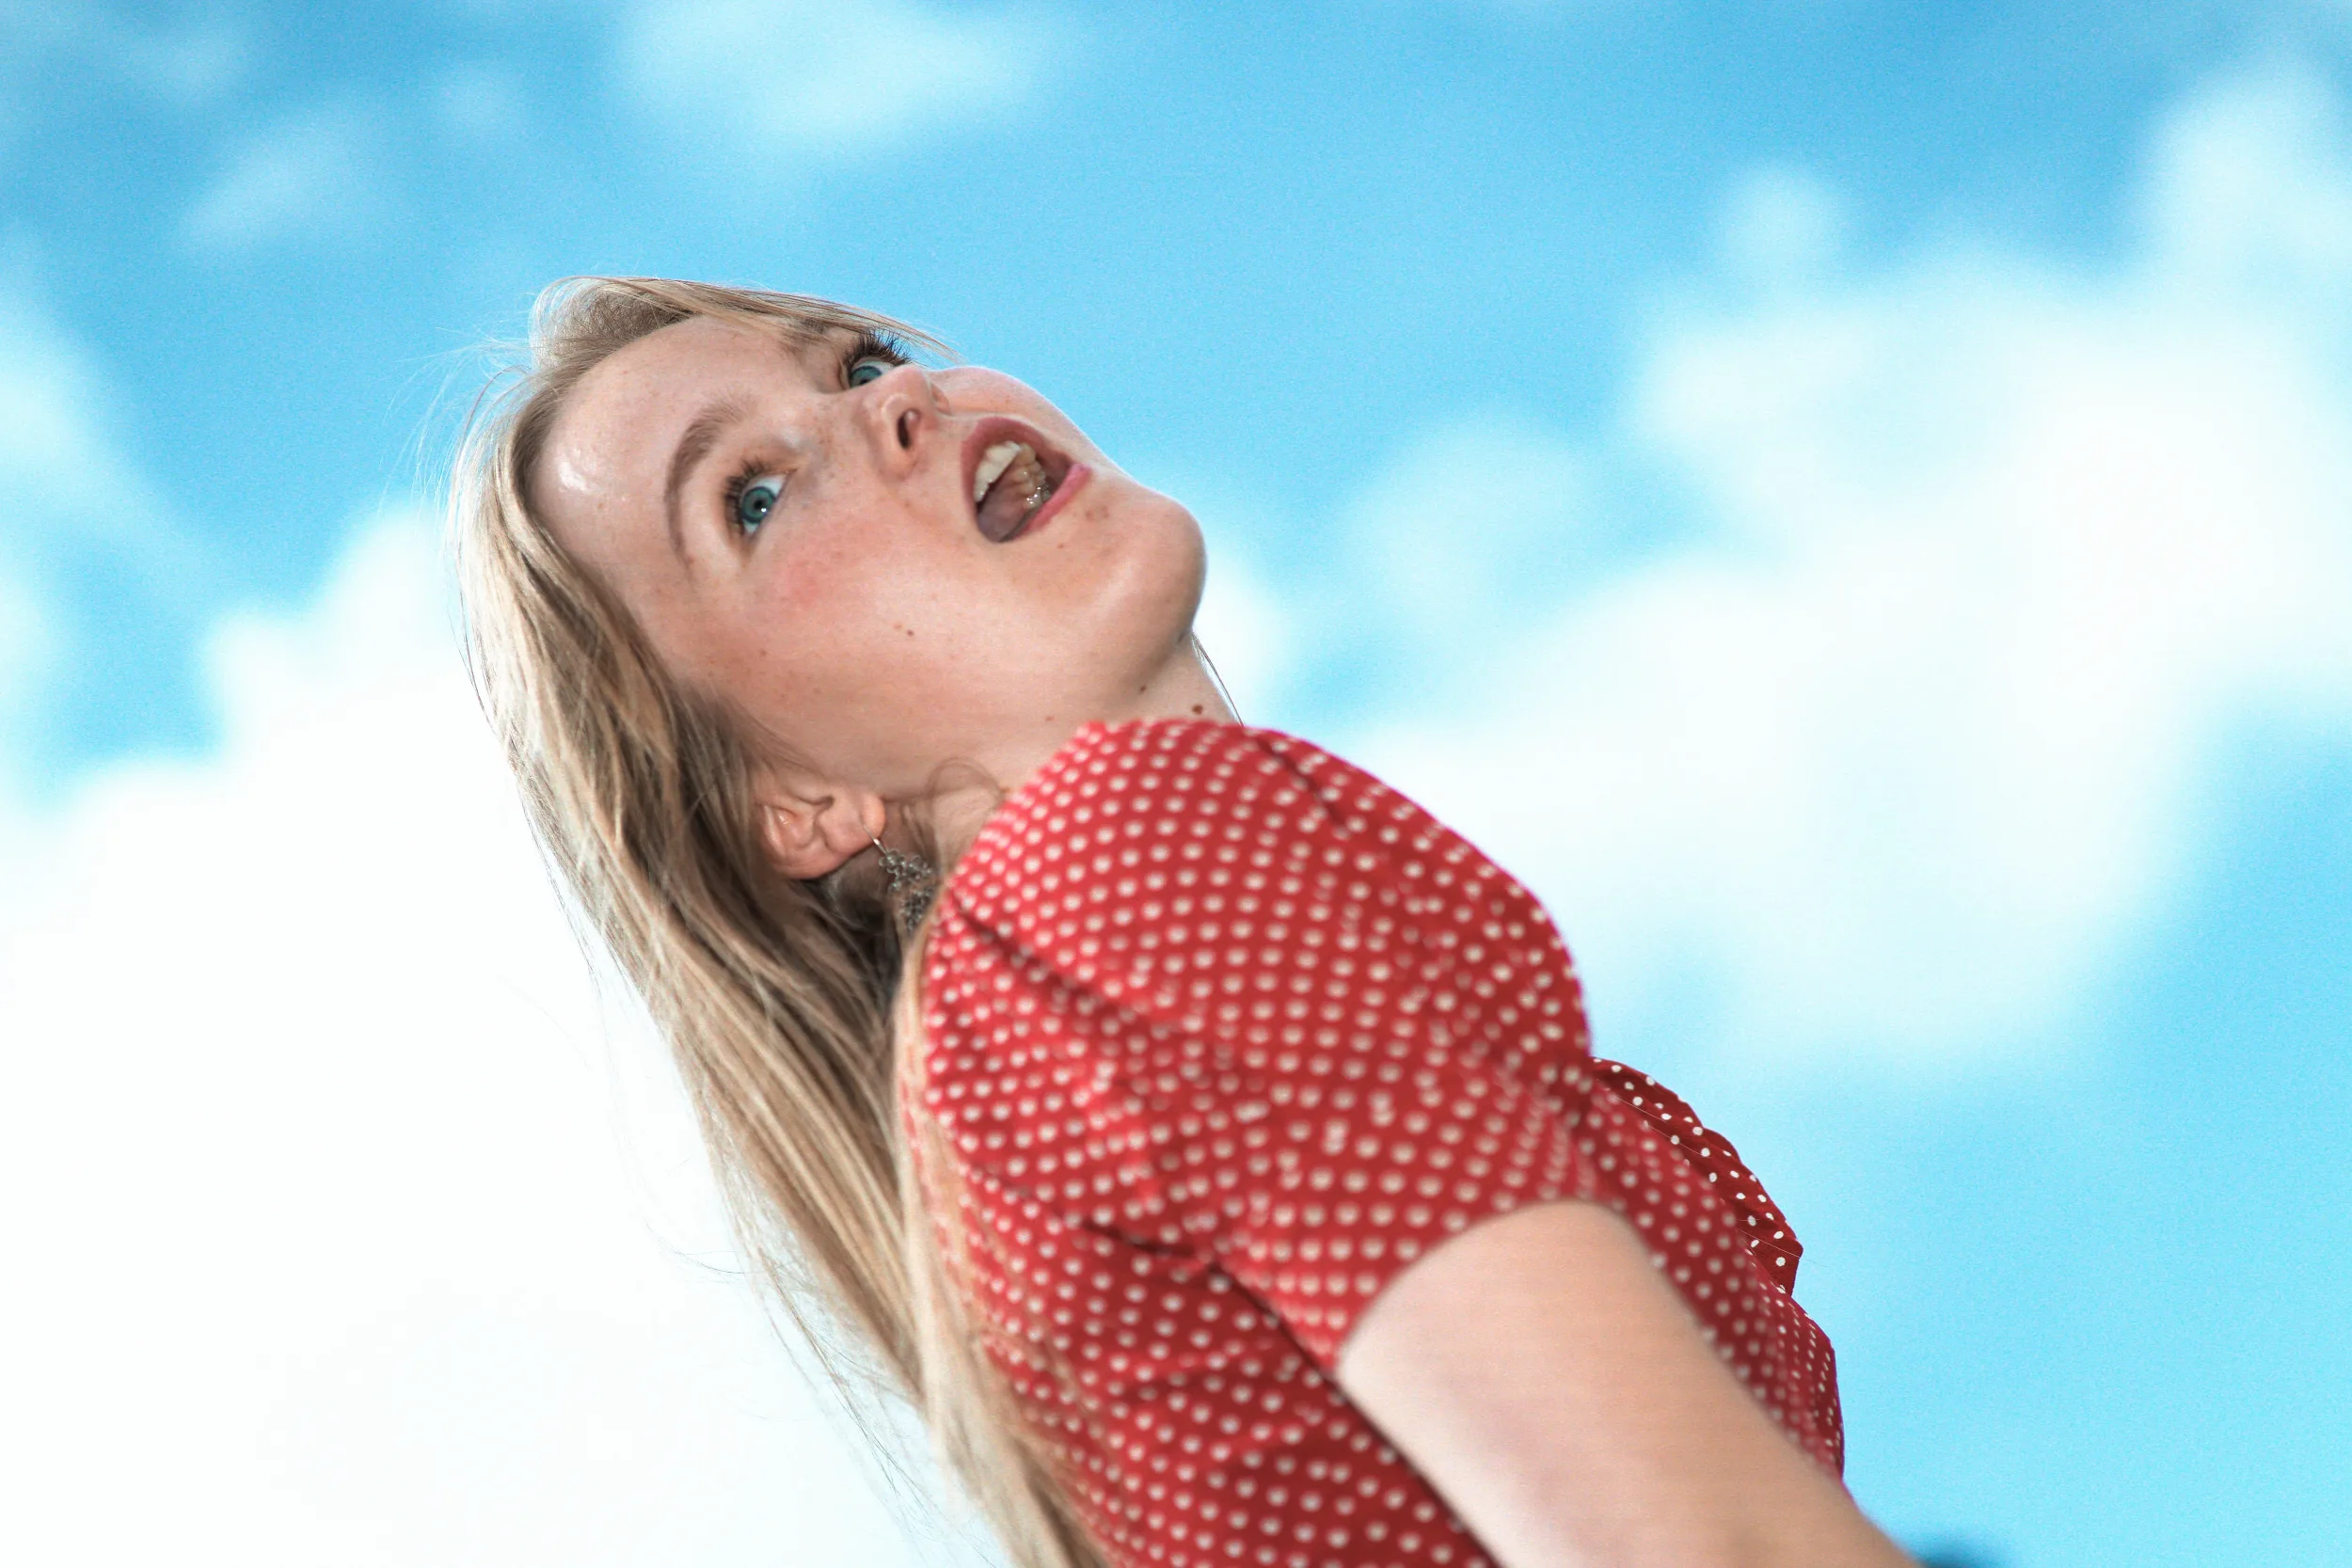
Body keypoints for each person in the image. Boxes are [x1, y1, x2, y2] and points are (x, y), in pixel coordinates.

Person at [450, 276, 1915, 1568]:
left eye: (858, 360)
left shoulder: (1032, 1063)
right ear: (794, 798)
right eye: (751, 498)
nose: (891, 405)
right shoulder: (1111, 862)